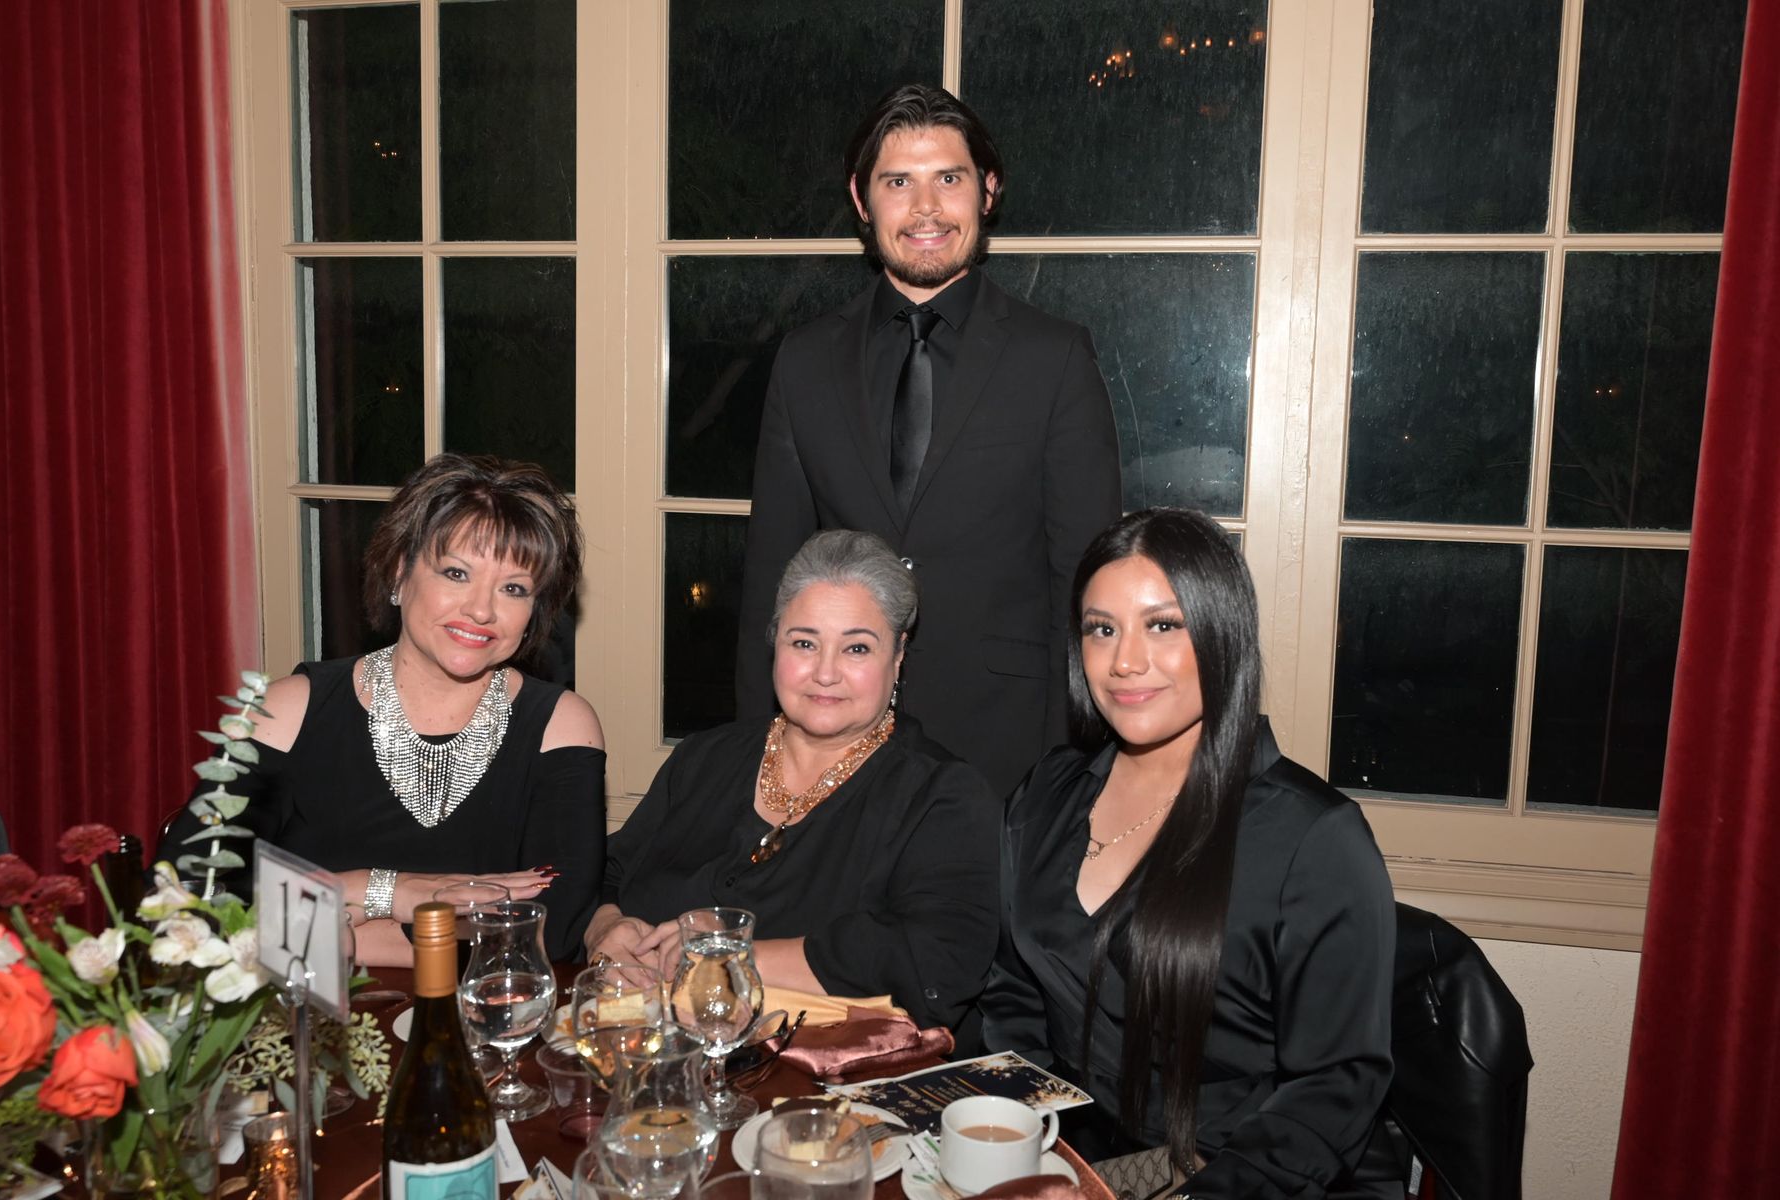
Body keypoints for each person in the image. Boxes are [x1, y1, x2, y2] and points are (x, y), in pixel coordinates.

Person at [982, 509, 1397, 1199]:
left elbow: (1334, 1089)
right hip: (1083, 1162)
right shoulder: (1046, 795)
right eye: (1102, 629)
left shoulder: (1314, 838)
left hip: (1247, 1176)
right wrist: (1018, 1152)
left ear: (1222, 632)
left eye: (1164, 626)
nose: (1125, 661)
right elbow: (1013, 995)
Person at [735, 83, 1122, 799]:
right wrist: (757, 762)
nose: (925, 209)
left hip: (1005, 748)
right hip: (835, 742)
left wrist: (1066, 776)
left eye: (948, 179)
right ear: (861, 200)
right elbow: (771, 580)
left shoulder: (1055, 358)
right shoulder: (805, 360)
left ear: (988, 190)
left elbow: (1086, 589)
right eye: (897, 182)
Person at [157, 453, 606, 964]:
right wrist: (384, 890)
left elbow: (552, 935)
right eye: (456, 573)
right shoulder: (286, 710)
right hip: (306, 1009)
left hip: (481, 1010)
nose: (482, 609)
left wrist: (334, 921)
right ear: (399, 572)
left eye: (513, 588)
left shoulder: (561, 725)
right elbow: (182, 901)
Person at [592, 530, 998, 1032]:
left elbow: (939, 964)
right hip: (644, 1049)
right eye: (804, 642)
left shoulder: (942, 797)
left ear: (898, 657)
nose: (824, 673)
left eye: (856, 648)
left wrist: (734, 955)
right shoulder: (704, 759)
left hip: (823, 1072)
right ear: (775, 644)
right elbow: (606, 873)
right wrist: (606, 928)